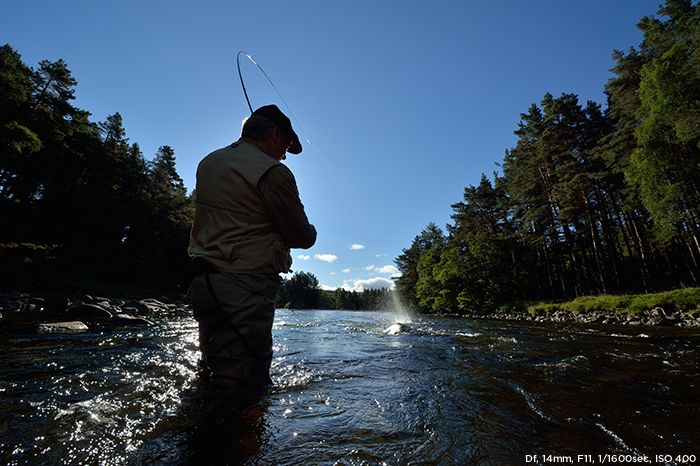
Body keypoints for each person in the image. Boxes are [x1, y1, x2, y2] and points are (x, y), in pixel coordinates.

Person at [185, 104, 316, 396]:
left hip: (203, 284)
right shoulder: (273, 172)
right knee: (244, 387)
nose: (284, 155)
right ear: (273, 133)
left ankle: (195, 436)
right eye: (285, 145)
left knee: (210, 371)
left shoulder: (209, 162)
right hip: (243, 289)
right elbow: (300, 236)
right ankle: (230, 439)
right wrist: (313, 232)